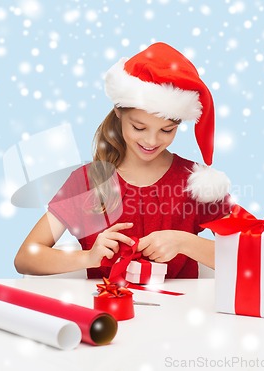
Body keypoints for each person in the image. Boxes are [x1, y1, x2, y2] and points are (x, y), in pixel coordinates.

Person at [14, 42, 233, 279]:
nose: (151, 141)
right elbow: (26, 257)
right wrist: (88, 257)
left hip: (180, 313)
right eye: (139, 127)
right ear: (118, 111)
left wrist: (185, 243)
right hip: (106, 313)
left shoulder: (196, 182)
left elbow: (253, 258)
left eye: (167, 130)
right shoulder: (88, 181)